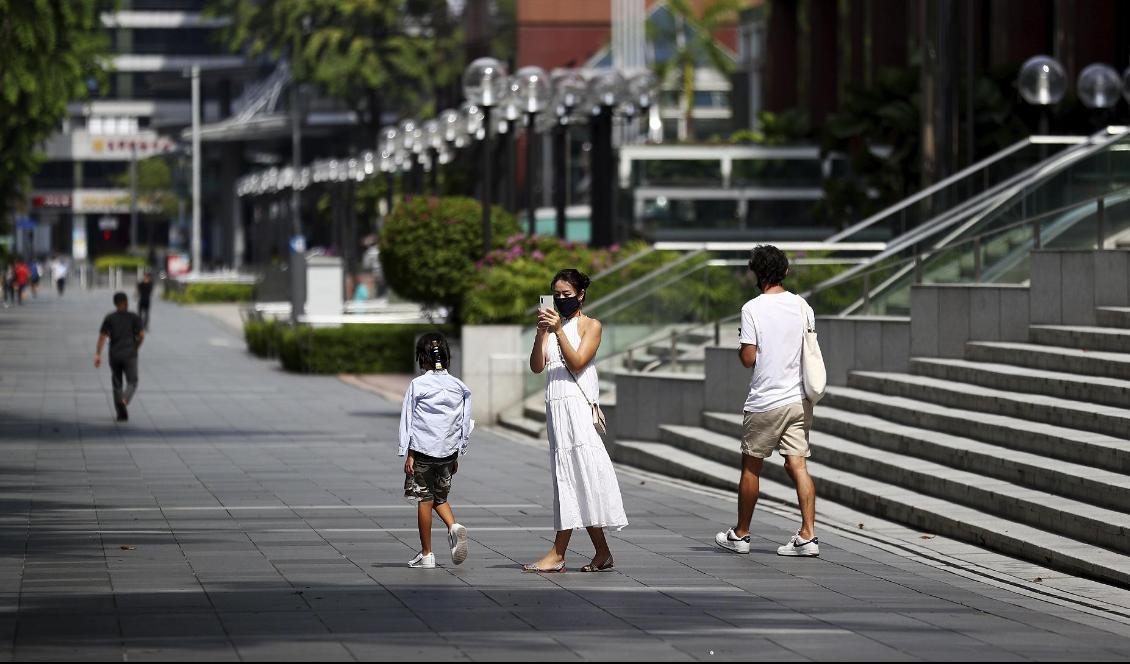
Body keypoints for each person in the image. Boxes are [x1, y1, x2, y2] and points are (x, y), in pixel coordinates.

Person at [715, 245, 819, 558]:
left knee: (751, 468)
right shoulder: (802, 305)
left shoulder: (752, 309)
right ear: (785, 271)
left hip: (765, 400)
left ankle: (741, 534)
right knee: (798, 465)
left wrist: (741, 345)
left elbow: (748, 359)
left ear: (756, 274)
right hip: (798, 399)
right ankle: (808, 535)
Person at [525, 268, 627, 573]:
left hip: (576, 408)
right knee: (573, 476)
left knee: (577, 474)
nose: (560, 299)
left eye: (566, 295)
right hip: (556, 408)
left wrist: (557, 331)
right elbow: (536, 366)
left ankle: (558, 553)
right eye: (556, 295)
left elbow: (578, 361)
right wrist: (542, 332)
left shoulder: (591, 326)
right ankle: (602, 552)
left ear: (580, 295)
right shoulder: (551, 326)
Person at [398, 332, 473, 569]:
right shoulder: (459, 386)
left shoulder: (418, 385)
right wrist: (459, 450)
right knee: (441, 497)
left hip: (422, 452)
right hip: (448, 454)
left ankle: (427, 553)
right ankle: (453, 526)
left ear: (422, 358)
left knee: (424, 499)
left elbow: (408, 420)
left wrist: (407, 452)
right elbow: (464, 421)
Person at [95, 292, 145, 422]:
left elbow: (102, 337)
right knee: (132, 381)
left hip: (114, 354)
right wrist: (136, 347)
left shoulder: (110, 318)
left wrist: (98, 354)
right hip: (130, 354)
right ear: (126, 303)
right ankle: (125, 399)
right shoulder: (134, 317)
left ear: (115, 303)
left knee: (117, 383)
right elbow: (141, 335)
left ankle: (121, 414)